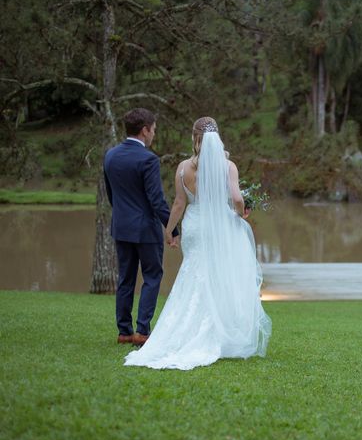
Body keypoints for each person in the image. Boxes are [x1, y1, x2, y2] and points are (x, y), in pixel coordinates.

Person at [124, 117, 272, 370]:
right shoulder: (228, 166)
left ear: (195, 138)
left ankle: (181, 331)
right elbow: (236, 198)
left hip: (194, 226)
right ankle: (217, 333)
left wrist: (169, 231)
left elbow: (179, 204)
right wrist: (241, 211)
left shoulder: (183, 168)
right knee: (219, 276)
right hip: (220, 227)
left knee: (193, 273)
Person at [104, 108, 179, 347]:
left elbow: (111, 195)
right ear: (145, 130)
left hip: (122, 227)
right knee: (152, 277)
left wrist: (123, 216)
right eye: (153, 130)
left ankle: (124, 331)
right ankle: (142, 331)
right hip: (145, 229)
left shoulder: (111, 155)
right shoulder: (148, 159)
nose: (154, 134)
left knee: (125, 279)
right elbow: (156, 200)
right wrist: (172, 228)